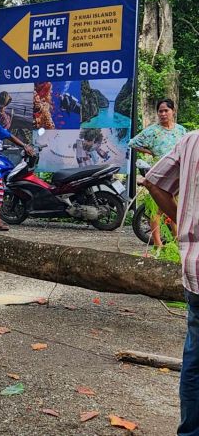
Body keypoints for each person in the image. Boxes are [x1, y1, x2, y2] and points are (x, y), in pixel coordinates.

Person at [142, 131, 199, 436]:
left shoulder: (189, 140)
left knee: (195, 360)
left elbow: (153, 180)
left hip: (196, 269)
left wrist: (185, 218)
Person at [129, 98, 187, 247]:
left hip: (177, 174)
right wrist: (151, 151)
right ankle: (157, 242)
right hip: (159, 174)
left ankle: (176, 239)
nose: (163, 114)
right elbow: (133, 143)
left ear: (173, 111)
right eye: (160, 111)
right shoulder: (153, 131)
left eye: (166, 110)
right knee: (156, 209)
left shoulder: (180, 130)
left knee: (174, 207)